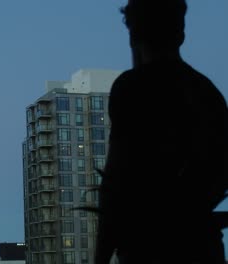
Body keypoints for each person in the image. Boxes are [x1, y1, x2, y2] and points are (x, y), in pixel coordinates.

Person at [96, 0, 228, 263]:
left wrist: (100, 257)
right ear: (181, 34)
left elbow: (116, 180)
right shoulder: (207, 92)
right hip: (203, 246)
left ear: (134, 35)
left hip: (147, 246)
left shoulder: (132, 88)